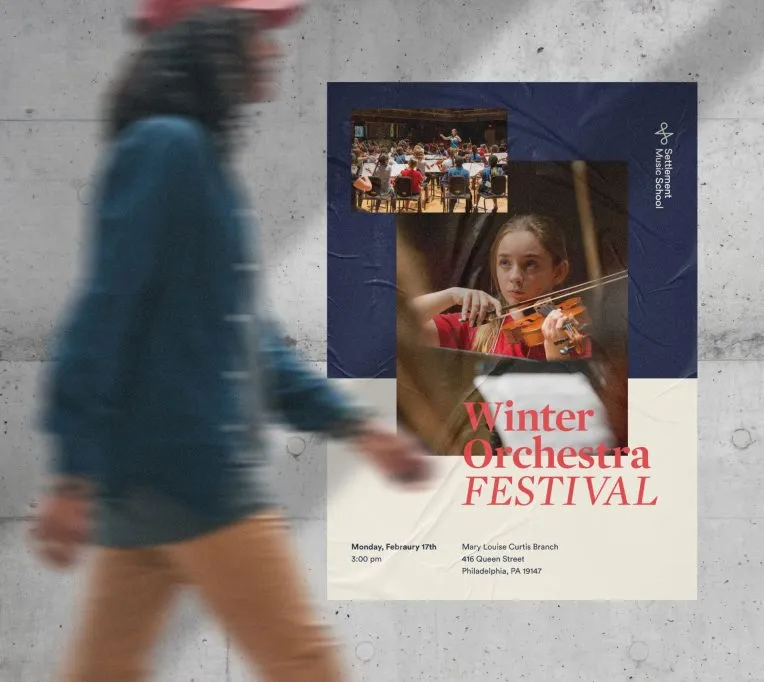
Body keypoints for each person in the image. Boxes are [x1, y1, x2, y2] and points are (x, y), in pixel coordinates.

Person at [30, 2, 430, 681]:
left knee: (102, 672)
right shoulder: (168, 149)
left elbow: (248, 344)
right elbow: (103, 311)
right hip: (199, 480)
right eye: (256, 34)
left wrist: (357, 429)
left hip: (150, 484)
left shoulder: (197, 163)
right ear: (206, 40)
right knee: (306, 666)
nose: (273, 50)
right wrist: (72, 471)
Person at [411, 214, 591, 361]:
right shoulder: (473, 328)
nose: (515, 277)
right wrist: (451, 295)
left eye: (530, 264)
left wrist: (556, 355)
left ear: (559, 272)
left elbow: (566, 403)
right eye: (505, 263)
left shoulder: (572, 336)